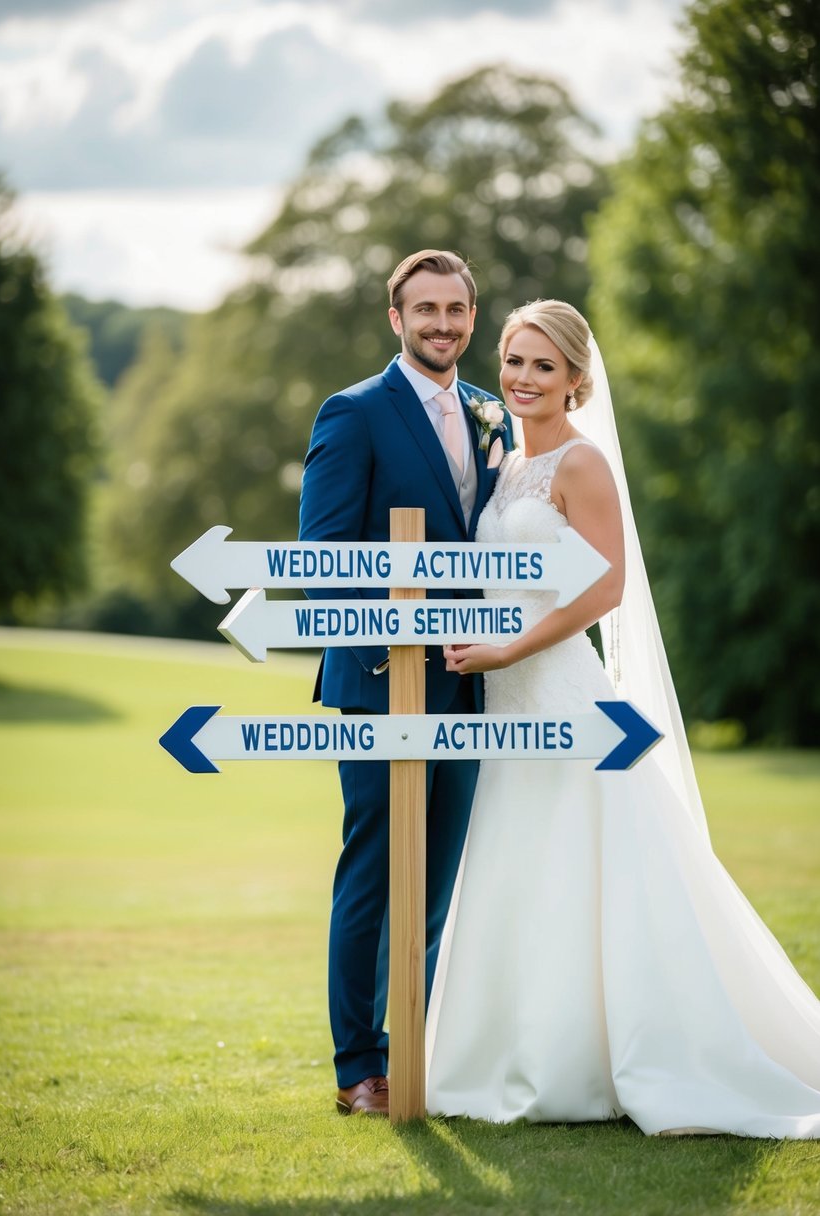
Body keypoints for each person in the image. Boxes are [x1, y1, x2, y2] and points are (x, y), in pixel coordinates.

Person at [426, 298, 820, 1137]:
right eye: (513, 360)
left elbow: (603, 589)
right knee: (519, 869)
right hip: (507, 712)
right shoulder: (501, 468)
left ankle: (623, 1056)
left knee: (598, 870)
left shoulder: (581, 465)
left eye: (542, 365)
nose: (522, 378)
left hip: (561, 696)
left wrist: (510, 650)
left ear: (576, 378)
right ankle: (508, 1058)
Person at [298, 249, 511, 1117]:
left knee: (442, 877)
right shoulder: (352, 414)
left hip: (467, 689)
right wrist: (413, 631)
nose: (441, 325)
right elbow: (322, 567)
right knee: (375, 874)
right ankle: (359, 1068)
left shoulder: (492, 414)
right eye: (423, 310)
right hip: (379, 681)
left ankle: (422, 1052)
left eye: (455, 310)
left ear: (471, 316)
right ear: (395, 319)